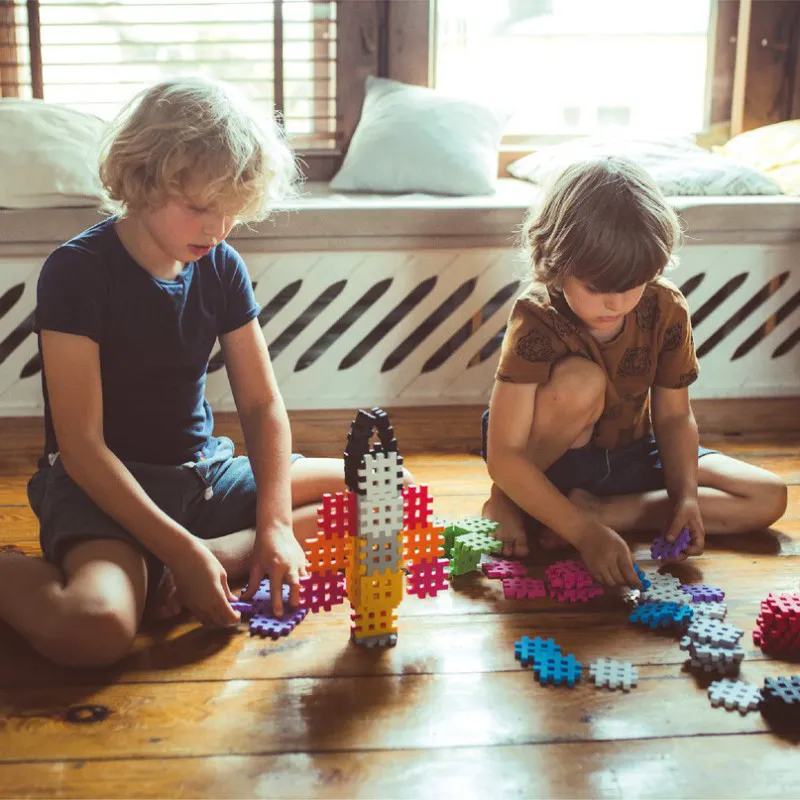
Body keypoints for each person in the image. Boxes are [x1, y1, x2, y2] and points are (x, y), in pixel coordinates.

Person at [0, 77, 349, 667]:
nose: (217, 229)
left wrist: (273, 527)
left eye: (232, 213)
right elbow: (82, 449)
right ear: (144, 178)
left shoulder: (221, 265)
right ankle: (171, 560)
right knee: (94, 629)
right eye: (199, 207)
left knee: (388, 489)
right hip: (108, 491)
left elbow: (263, 407)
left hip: (203, 479)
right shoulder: (76, 271)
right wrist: (183, 549)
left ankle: (203, 556)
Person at [481, 156, 788, 586]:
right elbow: (505, 453)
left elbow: (675, 417)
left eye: (633, 285)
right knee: (584, 381)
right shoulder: (536, 315)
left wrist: (684, 498)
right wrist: (586, 538)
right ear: (558, 259)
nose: (617, 303)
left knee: (767, 496)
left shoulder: (665, 307)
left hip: (633, 451)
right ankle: (511, 499)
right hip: (556, 456)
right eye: (597, 288)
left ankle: (601, 511)